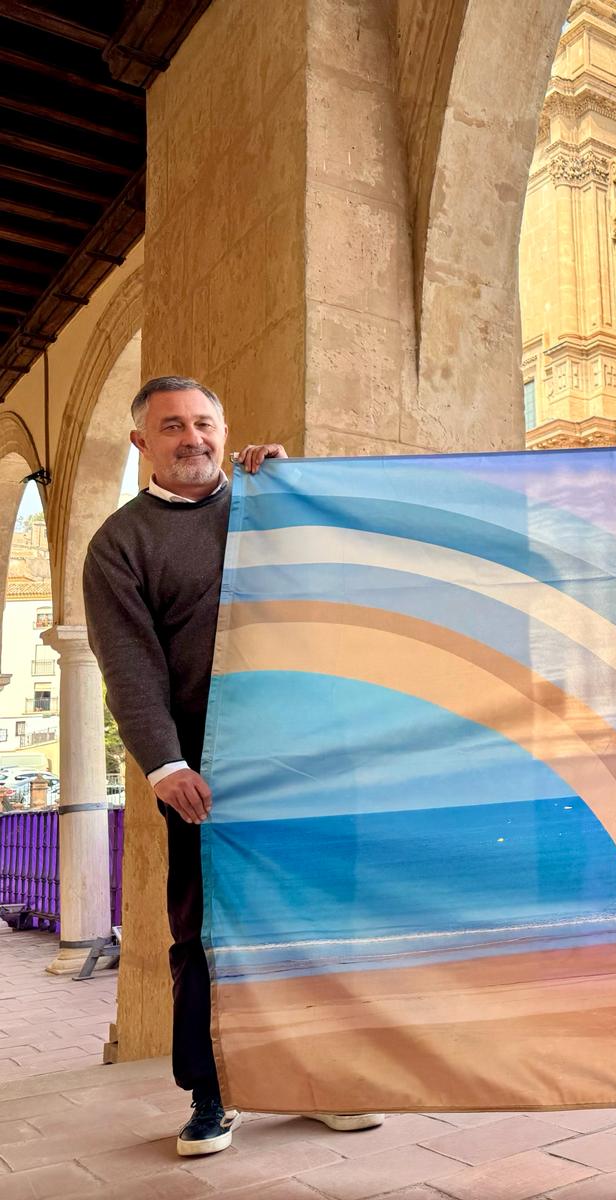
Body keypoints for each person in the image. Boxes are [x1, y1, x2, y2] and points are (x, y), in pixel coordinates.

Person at [83, 376, 384, 1157]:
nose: (193, 439)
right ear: (141, 443)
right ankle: (212, 1094)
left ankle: (323, 1079)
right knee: (206, 935)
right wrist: (163, 766)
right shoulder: (120, 542)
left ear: (225, 429)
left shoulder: (270, 499)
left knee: (317, 921)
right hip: (204, 778)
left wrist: (295, 488)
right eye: (172, 426)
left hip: (309, 760)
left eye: (205, 423)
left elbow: (348, 582)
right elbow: (129, 666)